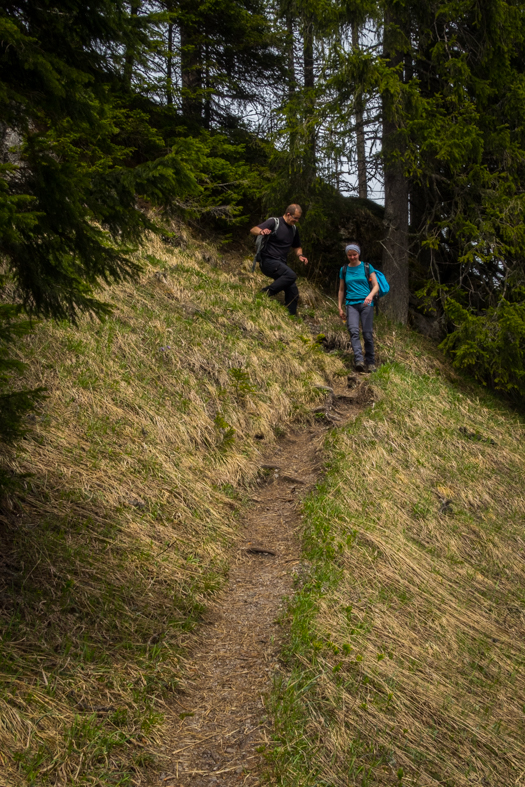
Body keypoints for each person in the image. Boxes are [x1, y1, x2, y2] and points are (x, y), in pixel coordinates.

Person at [250, 204, 308, 316]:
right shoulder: (274, 222)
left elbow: (297, 246)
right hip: (268, 261)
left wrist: (300, 255)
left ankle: (290, 316)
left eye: (298, 218)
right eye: (295, 218)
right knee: (291, 275)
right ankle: (265, 293)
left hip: (280, 264)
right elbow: (253, 229)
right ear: (288, 214)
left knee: (293, 291)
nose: (297, 221)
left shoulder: (294, 229)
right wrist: (261, 232)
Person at [338, 243, 379, 372]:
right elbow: (341, 289)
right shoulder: (344, 269)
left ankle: (371, 362)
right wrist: (339, 307)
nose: (352, 257)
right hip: (351, 304)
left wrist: (370, 296)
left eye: (354, 254)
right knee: (354, 331)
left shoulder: (367, 267)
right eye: (349, 255)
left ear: (358, 254)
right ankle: (359, 360)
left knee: (367, 334)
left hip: (367, 304)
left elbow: (376, 285)